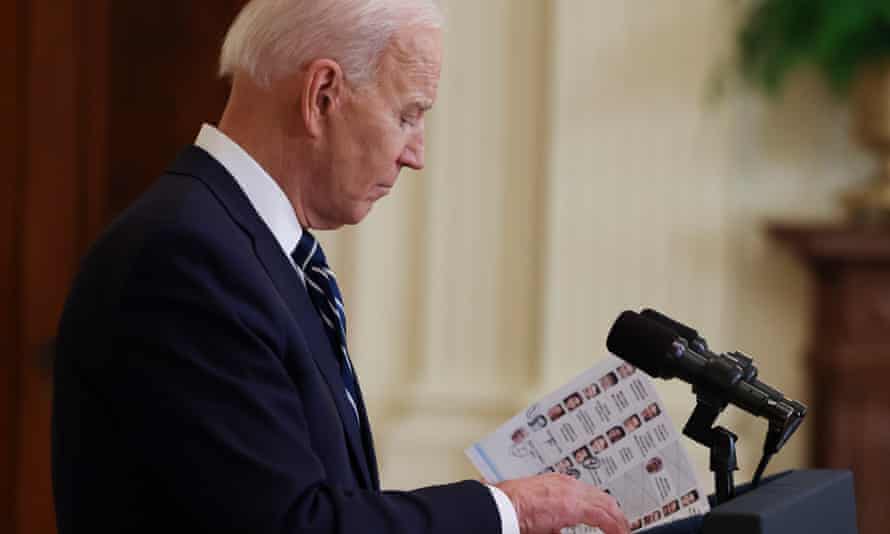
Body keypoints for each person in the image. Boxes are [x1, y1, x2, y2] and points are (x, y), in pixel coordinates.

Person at [49, 2, 629, 534]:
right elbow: (293, 525)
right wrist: (509, 511)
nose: (416, 153)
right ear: (322, 94)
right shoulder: (185, 258)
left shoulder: (256, 249)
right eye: (409, 115)